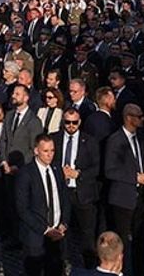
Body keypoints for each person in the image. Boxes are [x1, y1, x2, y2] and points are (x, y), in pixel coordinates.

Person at [103, 103, 144, 276]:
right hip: (122, 199)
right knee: (121, 241)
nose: (142, 119)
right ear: (128, 118)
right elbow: (110, 169)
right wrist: (135, 178)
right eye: (139, 116)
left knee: (141, 239)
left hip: (141, 197)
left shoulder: (140, 137)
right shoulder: (115, 140)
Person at [16, 133, 72, 276]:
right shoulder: (26, 173)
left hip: (58, 235)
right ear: (36, 151)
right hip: (35, 236)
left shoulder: (57, 169)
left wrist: (64, 223)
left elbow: (64, 197)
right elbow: (22, 208)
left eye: (52, 150)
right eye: (45, 151)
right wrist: (46, 230)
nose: (49, 155)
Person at [59, 107, 101, 269]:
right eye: (68, 122)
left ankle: (89, 266)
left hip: (83, 193)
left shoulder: (89, 141)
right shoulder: (55, 139)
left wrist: (78, 174)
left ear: (80, 122)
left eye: (74, 122)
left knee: (87, 233)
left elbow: (96, 168)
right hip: (62, 192)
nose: (71, 125)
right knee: (61, 231)